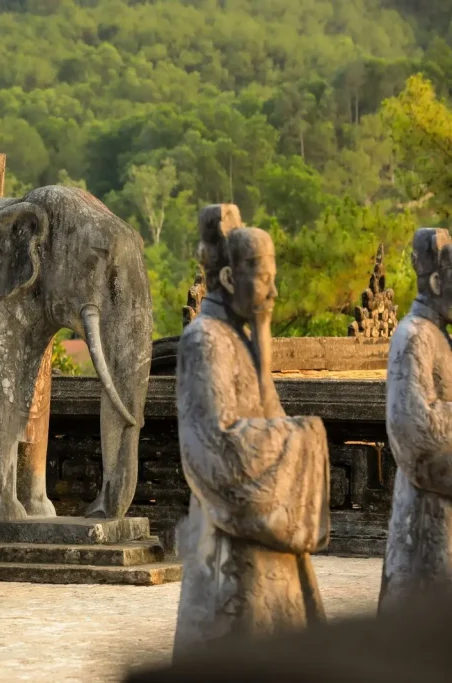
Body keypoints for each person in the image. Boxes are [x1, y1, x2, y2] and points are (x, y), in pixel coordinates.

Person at [173, 206, 330, 654]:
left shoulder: (240, 338)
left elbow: (268, 415)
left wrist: (262, 337)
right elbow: (217, 448)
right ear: (226, 279)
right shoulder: (204, 341)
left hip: (264, 539)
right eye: (264, 278)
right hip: (228, 541)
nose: (274, 291)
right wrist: (302, 437)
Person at [378, 228, 452, 613]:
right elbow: (413, 431)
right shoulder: (413, 336)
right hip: (426, 507)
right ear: (438, 281)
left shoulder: (442, 337)